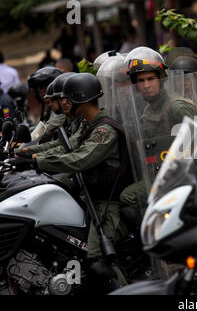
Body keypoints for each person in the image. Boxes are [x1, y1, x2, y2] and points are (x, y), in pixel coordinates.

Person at [11, 72, 133, 292]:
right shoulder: (88, 125)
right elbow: (64, 147)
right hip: (91, 199)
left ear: (82, 97)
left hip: (107, 205)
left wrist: (36, 163)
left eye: (67, 98)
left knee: (98, 260)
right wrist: (28, 155)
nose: (62, 102)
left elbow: (80, 159)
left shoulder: (105, 130)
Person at [117, 46, 197, 220]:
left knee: (127, 197)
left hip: (179, 177)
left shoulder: (177, 107)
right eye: (141, 80)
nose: (146, 85)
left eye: (151, 79)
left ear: (160, 79)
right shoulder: (148, 109)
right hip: (158, 173)